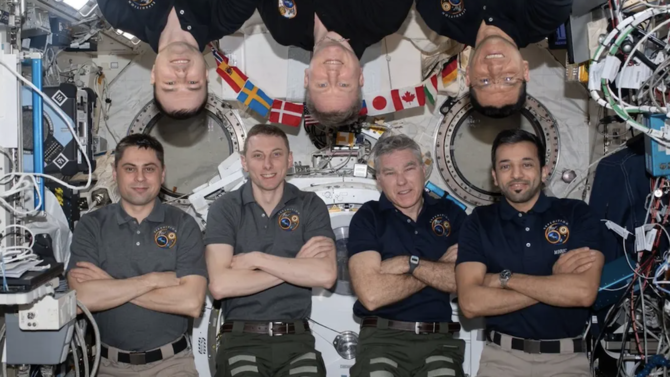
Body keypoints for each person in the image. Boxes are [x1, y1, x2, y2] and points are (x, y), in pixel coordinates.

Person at [456, 129, 604, 377]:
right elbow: (471, 303)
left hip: (568, 361)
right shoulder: (479, 222)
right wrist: (554, 281)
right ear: (494, 176)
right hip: (501, 360)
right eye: (505, 166)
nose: (516, 174)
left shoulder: (577, 214)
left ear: (544, 171)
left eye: (526, 164)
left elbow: (583, 293)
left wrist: (504, 279)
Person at [67, 134, 207, 377]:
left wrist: (110, 286)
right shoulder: (91, 225)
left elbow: (192, 303)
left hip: (172, 365)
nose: (140, 178)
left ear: (162, 174)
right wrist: (152, 279)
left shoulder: (184, 225)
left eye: (149, 169)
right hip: (107, 367)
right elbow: (82, 298)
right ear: (115, 173)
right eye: (130, 169)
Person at [204, 124, 337, 377]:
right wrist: (296, 265)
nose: (267, 165)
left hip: (296, 340)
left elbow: (325, 275)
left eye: (276, 154)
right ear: (244, 162)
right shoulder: (225, 208)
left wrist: (257, 259)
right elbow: (220, 285)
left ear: (289, 160)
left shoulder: (310, 205)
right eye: (257, 156)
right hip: (241, 339)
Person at [347, 134, 468, 377]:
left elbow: (462, 282)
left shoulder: (452, 215)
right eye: (390, 173)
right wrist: (437, 266)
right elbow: (371, 295)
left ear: (423, 170)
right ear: (379, 179)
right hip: (381, 340)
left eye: (409, 168)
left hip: (439, 340)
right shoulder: (368, 217)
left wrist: (407, 263)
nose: (401, 181)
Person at [256, 0, 413, 126]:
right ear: (360, 77)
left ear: (307, 78)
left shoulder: (284, 30)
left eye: (322, 84)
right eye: (343, 84)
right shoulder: (383, 17)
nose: (333, 74)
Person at [97, 0, 256, 119]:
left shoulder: (119, 14)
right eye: (192, 83)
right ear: (205, 75)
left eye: (170, 83)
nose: (181, 74)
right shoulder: (229, 16)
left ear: (153, 75)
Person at [414, 0, 573, 118]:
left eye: (484, 81)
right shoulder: (544, 17)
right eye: (508, 78)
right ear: (525, 70)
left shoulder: (438, 18)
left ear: (468, 75)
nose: (495, 68)